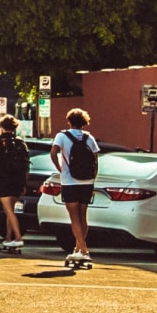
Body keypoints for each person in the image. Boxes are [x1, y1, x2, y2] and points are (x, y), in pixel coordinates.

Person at [51, 108, 101, 267]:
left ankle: (84, 249)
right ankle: (78, 248)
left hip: (70, 181)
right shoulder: (89, 137)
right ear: (84, 122)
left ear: (69, 121)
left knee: (74, 217)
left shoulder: (61, 136)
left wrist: (60, 169)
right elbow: (95, 160)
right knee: (82, 215)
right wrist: (92, 179)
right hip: (87, 182)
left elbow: (53, 153)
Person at [0, 115, 31, 254]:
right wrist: (24, 184)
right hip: (17, 180)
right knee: (10, 210)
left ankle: (18, 238)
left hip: (4, 179)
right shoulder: (21, 143)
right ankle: (8, 238)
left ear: (2, 127)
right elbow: (26, 166)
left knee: (9, 211)